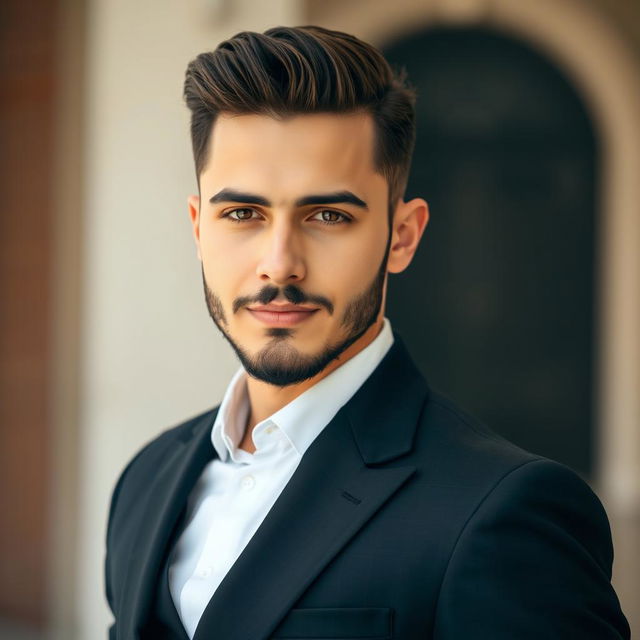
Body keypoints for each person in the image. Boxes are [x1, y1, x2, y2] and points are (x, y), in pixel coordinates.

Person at [104, 25, 630, 640]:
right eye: (242, 214)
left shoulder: (505, 510)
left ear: (402, 236)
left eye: (328, 215)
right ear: (199, 229)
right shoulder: (146, 478)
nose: (279, 263)